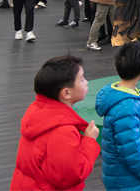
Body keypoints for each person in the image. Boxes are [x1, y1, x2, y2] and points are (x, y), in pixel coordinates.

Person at [11, 55, 100, 191]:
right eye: (82, 79)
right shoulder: (62, 131)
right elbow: (71, 175)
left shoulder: (38, 110)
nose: (87, 82)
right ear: (66, 93)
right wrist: (90, 141)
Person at [95, 43, 140, 191]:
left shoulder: (120, 94)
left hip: (119, 176)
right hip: (129, 181)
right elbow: (132, 153)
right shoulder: (127, 108)